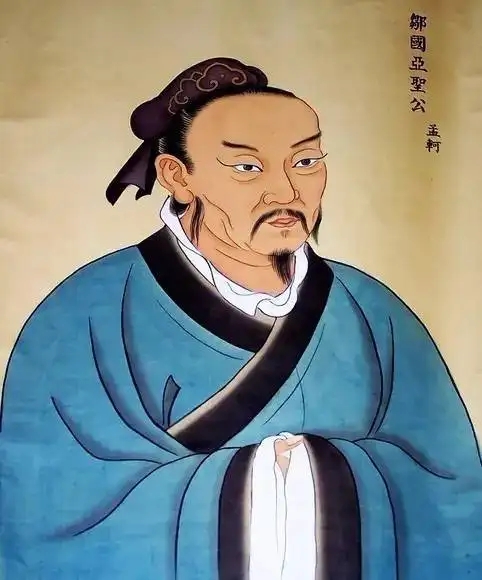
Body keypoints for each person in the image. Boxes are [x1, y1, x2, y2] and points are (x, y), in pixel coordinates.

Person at [1, 57, 481, 580]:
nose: (287, 192)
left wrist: (310, 472)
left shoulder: (374, 312)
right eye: (248, 168)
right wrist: (266, 478)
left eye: (306, 161)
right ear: (177, 176)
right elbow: (48, 510)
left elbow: (449, 486)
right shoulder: (86, 313)